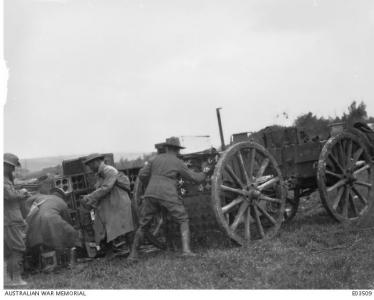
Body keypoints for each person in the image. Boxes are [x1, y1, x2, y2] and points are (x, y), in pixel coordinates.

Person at [128, 137, 210, 261]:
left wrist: (151, 183)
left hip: (150, 193)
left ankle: (133, 255)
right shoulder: (178, 162)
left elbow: (142, 175)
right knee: (183, 219)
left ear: (166, 148)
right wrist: (205, 173)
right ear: (177, 150)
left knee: (143, 225)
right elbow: (193, 178)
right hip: (167, 194)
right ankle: (186, 251)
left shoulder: (154, 159)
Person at [81, 154, 135, 256]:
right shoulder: (100, 174)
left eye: (90, 165)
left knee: (126, 227)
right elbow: (100, 189)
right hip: (110, 205)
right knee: (103, 227)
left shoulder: (109, 170)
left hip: (119, 203)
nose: (90, 168)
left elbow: (106, 188)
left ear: (96, 162)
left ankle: (133, 251)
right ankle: (109, 253)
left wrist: (90, 197)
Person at [24, 187, 80, 270]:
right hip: (51, 222)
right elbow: (67, 221)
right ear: (62, 196)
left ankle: (38, 264)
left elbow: (27, 201)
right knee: (72, 233)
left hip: (33, 225)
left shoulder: (41, 197)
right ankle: (72, 260)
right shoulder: (62, 202)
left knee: (41, 241)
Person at [4, 153, 29, 287]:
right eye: (12, 167)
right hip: (11, 220)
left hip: (8, 220)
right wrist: (23, 192)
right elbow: (9, 195)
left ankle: (9, 279)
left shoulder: (6, 179)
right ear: (6, 165)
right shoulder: (3, 180)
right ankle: (16, 279)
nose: (13, 170)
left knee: (9, 250)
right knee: (17, 249)